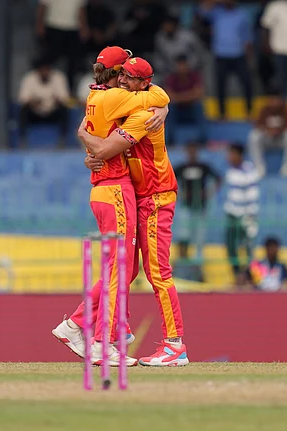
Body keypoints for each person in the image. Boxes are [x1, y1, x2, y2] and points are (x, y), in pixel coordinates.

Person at [52, 46, 170, 367]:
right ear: (120, 74)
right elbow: (154, 94)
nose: (130, 79)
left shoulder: (97, 96)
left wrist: (87, 142)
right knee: (119, 266)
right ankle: (103, 341)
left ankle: (75, 324)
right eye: (127, 74)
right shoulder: (114, 97)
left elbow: (90, 133)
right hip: (114, 188)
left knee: (127, 267)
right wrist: (164, 108)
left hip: (110, 188)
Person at [77, 57, 188, 366]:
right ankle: (102, 328)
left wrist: (90, 146)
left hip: (155, 196)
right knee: (128, 269)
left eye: (129, 77)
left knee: (157, 272)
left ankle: (175, 344)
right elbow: (95, 134)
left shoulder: (144, 114)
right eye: (121, 74)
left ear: (144, 84)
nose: (123, 80)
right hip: (140, 197)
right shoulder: (128, 106)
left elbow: (103, 147)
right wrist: (89, 146)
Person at [173, 142, 220, 264]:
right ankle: (183, 260)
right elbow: (169, 179)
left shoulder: (203, 167)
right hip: (186, 206)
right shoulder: (182, 167)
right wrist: (179, 194)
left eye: (194, 150)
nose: (192, 153)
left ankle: (198, 262)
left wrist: (209, 192)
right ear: (187, 152)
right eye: (190, 150)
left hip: (200, 207)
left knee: (200, 235)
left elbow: (218, 178)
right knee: (183, 234)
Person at [224, 143, 260, 288]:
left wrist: (250, 216)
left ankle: (248, 278)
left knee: (248, 248)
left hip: (246, 216)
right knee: (231, 247)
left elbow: (252, 195)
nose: (229, 157)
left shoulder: (249, 171)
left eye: (232, 154)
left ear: (239, 155)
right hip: (232, 214)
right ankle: (237, 276)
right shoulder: (230, 171)